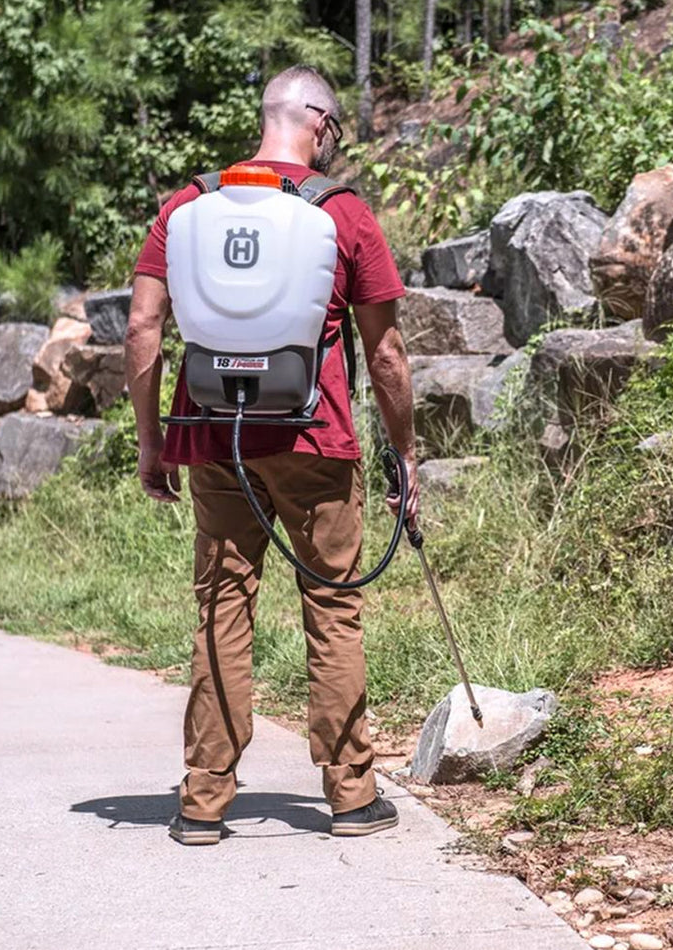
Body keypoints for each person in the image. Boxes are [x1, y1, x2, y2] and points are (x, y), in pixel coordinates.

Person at [125, 64, 419, 845]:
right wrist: (406, 454)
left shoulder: (185, 207)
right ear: (320, 124)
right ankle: (352, 795)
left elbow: (142, 330)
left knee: (223, 607)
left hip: (212, 438)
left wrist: (154, 441)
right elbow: (385, 353)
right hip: (314, 438)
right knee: (332, 605)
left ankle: (203, 800)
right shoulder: (343, 213)